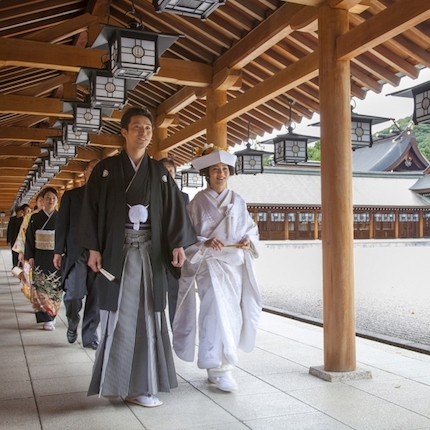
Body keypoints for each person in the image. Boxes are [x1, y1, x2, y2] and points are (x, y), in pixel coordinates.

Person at [79, 107, 197, 408]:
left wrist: (178, 244)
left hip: (150, 255)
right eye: (137, 127)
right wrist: (93, 247)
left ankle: (143, 384)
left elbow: (173, 211)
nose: (144, 132)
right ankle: (120, 381)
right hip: (116, 255)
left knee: (148, 316)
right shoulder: (105, 170)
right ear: (124, 132)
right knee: (118, 317)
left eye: (148, 127)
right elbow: (90, 210)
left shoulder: (158, 172)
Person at [173, 145, 262, 393]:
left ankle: (225, 367)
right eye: (215, 170)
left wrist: (248, 241)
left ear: (229, 172)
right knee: (214, 313)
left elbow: (250, 229)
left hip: (233, 265)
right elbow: (187, 236)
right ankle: (217, 368)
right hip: (209, 264)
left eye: (224, 169)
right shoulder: (197, 203)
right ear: (207, 174)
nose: (220, 173)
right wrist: (205, 242)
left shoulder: (238, 200)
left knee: (232, 313)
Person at [53, 160, 100, 349]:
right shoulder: (72, 196)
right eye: (92, 170)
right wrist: (58, 251)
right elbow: (61, 224)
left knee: (96, 299)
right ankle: (72, 322)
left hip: (100, 254)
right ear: (85, 173)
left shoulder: (109, 197)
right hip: (76, 253)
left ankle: (89, 336)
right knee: (73, 295)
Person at [25, 187, 61, 331]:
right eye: (47, 198)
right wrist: (30, 256)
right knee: (40, 287)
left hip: (55, 256)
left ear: (57, 201)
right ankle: (46, 317)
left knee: (54, 287)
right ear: (42, 200)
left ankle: (52, 315)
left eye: (53, 198)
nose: (50, 200)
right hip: (40, 255)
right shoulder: (34, 218)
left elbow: (65, 237)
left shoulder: (61, 217)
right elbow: (29, 238)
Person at [160, 157, 190, 327]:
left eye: (170, 171)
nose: (166, 174)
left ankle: (175, 328)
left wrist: (181, 246)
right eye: (163, 171)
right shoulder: (149, 196)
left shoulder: (183, 197)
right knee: (155, 293)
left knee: (175, 293)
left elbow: (185, 224)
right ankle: (158, 329)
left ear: (175, 174)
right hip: (153, 249)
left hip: (175, 251)